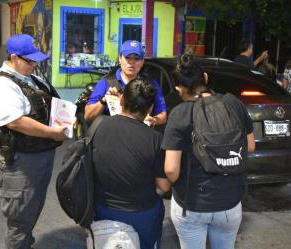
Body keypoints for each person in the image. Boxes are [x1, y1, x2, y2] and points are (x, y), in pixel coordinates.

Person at [0, 34, 69, 249]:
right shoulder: (1, 85)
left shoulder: (30, 77)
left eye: (35, 60)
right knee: (19, 219)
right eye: (29, 60)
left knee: (30, 210)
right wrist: (52, 132)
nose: (34, 64)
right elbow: (15, 122)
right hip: (19, 159)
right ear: (13, 57)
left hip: (37, 155)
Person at [162, 54, 255, 249]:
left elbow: (171, 169)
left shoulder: (179, 113)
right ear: (205, 78)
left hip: (194, 204)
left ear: (179, 88)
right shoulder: (233, 103)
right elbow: (250, 146)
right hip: (230, 203)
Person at [92, 78, 171, 249]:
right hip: (142, 214)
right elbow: (164, 186)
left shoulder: (98, 126)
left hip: (102, 209)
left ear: (121, 100)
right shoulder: (155, 139)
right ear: (150, 108)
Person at [84, 40, 167, 126]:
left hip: (139, 135)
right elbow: (88, 116)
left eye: (136, 58)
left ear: (142, 62)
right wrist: (104, 100)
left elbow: (162, 116)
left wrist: (153, 120)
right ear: (120, 58)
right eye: (127, 57)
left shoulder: (150, 84)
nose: (131, 62)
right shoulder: (106, 83)